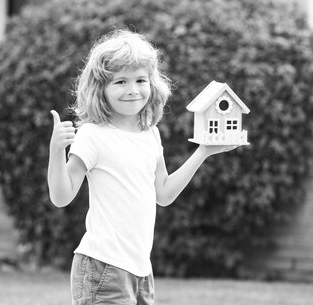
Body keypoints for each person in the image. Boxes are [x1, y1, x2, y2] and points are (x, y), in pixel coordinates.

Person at [47, 29, 238, 305]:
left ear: (152, 83)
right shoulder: (93, 135)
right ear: (100, 89)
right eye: (120, 81)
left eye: (140, 80)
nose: (133, 90)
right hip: (103, 267)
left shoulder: (151, 134)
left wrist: (204, 151)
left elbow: (164, 194)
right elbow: (61, 197)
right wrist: (56, 151)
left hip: (141, 271)